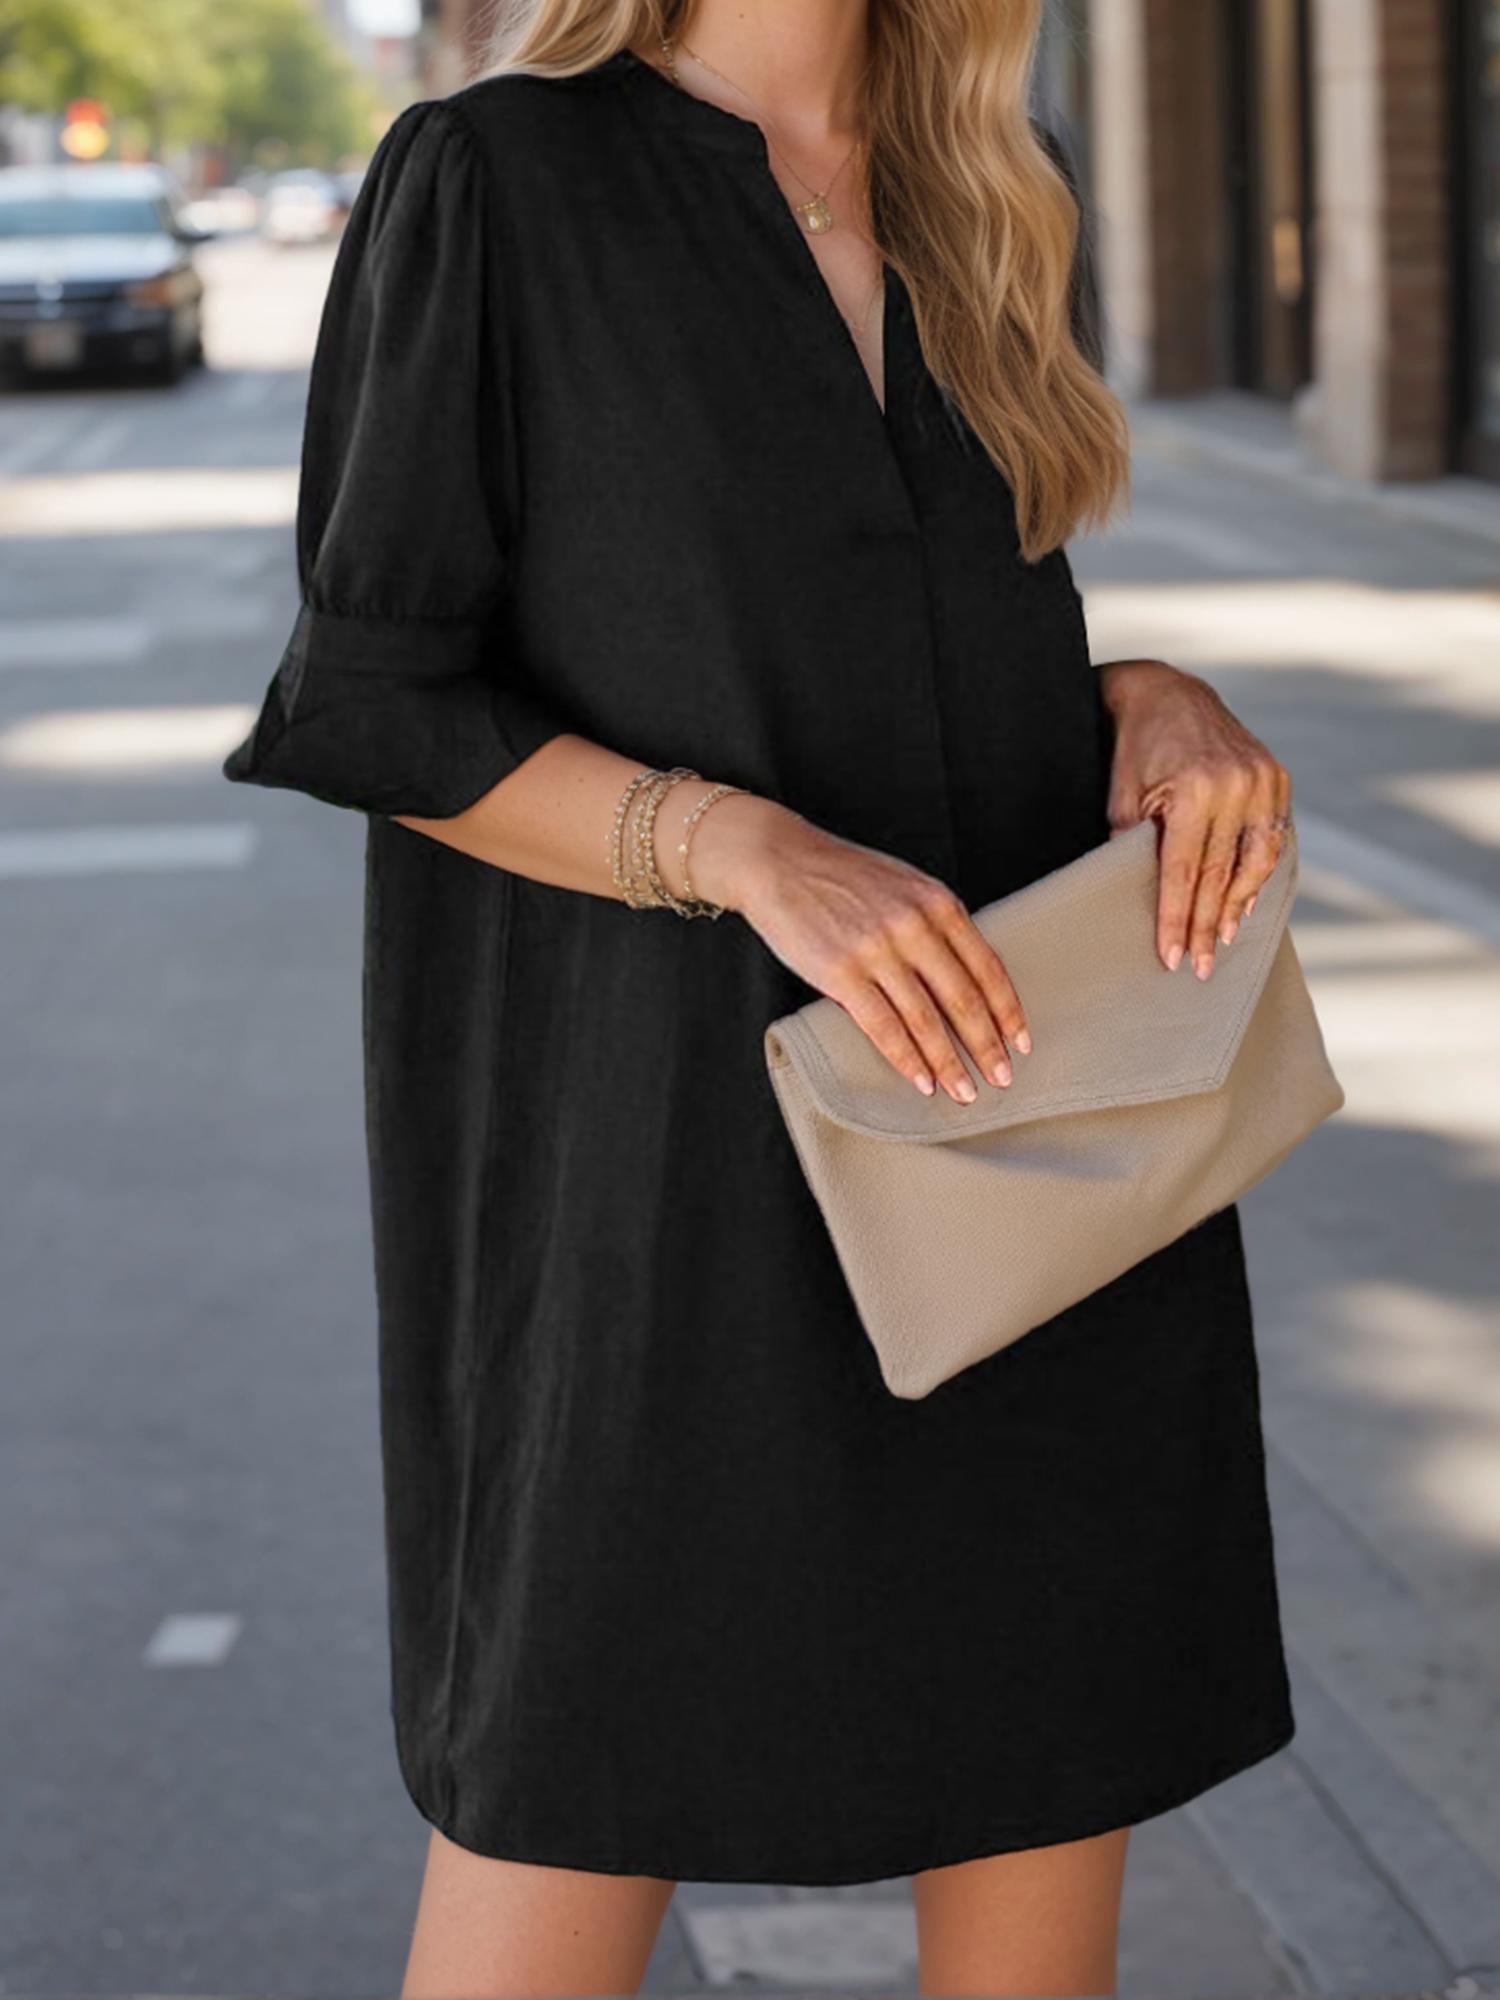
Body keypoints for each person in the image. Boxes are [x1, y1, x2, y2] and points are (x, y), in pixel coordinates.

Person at [221, 1, 1298, 1993]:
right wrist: (733, 844)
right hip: (665, 1216)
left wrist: (1149, 702)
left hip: (1027, 1179)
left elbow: (904, 669)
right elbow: (372, 701)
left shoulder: (998, 186)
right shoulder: (500, 179)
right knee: (562, 1801)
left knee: (1043, 1868)